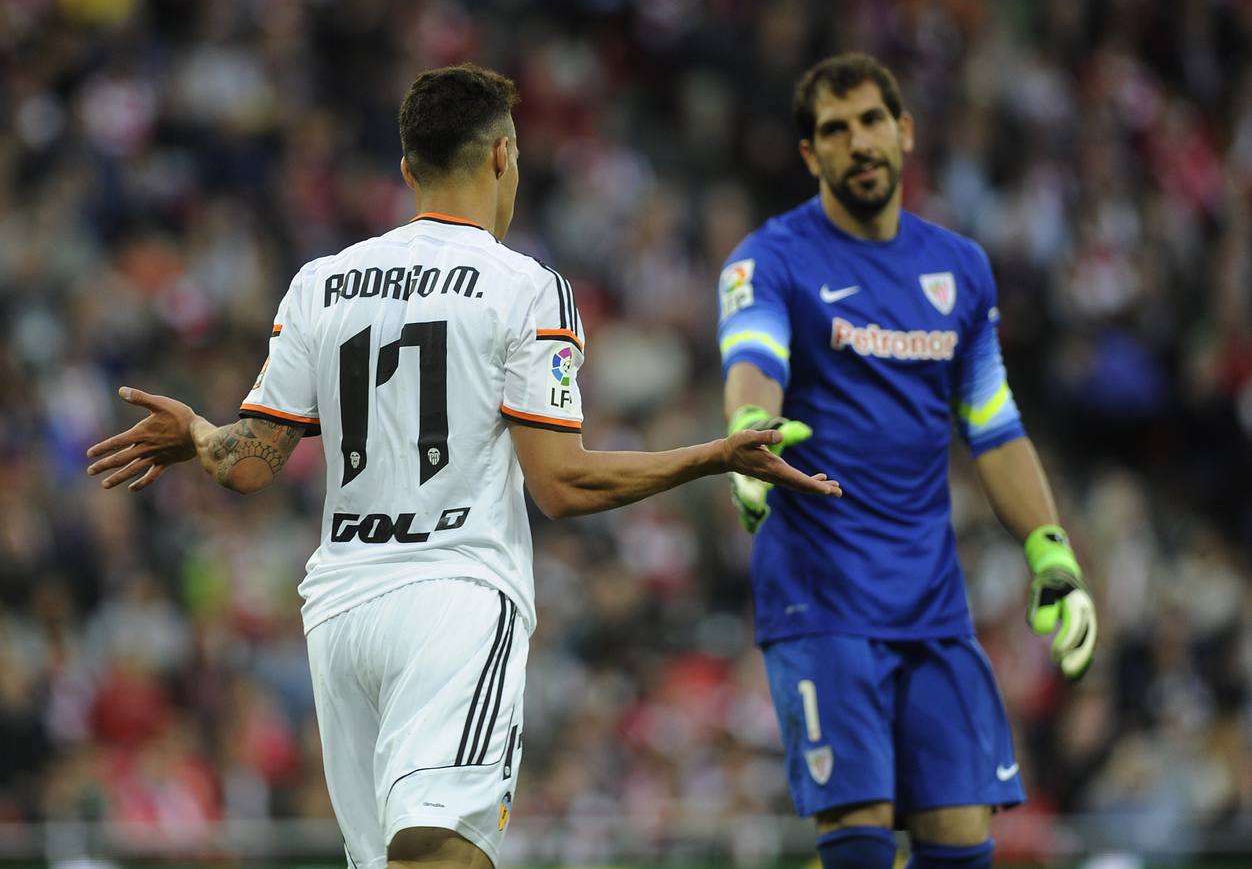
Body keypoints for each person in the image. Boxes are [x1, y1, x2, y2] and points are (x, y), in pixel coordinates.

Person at [86, 64, 841, 869]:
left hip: (339, 612)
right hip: (455, 593)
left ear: (408, 169)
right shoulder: (527, 288)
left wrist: (201, 433)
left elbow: (248, 464)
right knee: (445, 852)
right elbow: (562, 483)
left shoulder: (323, 282)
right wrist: (711, 455)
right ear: (503, 156)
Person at [717, 53, 1098, 869]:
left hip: (932, 605)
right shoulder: (770, 259)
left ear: (906, 132)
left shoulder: (960, 270)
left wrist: (1050, 550)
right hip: (822, 600)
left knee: (963, 843)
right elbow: (753, 363)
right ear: (809, 154)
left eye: (871, 121)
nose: (858, 142)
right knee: (857, 839)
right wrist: (748, 431)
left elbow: (994, 426)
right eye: (834, 129)